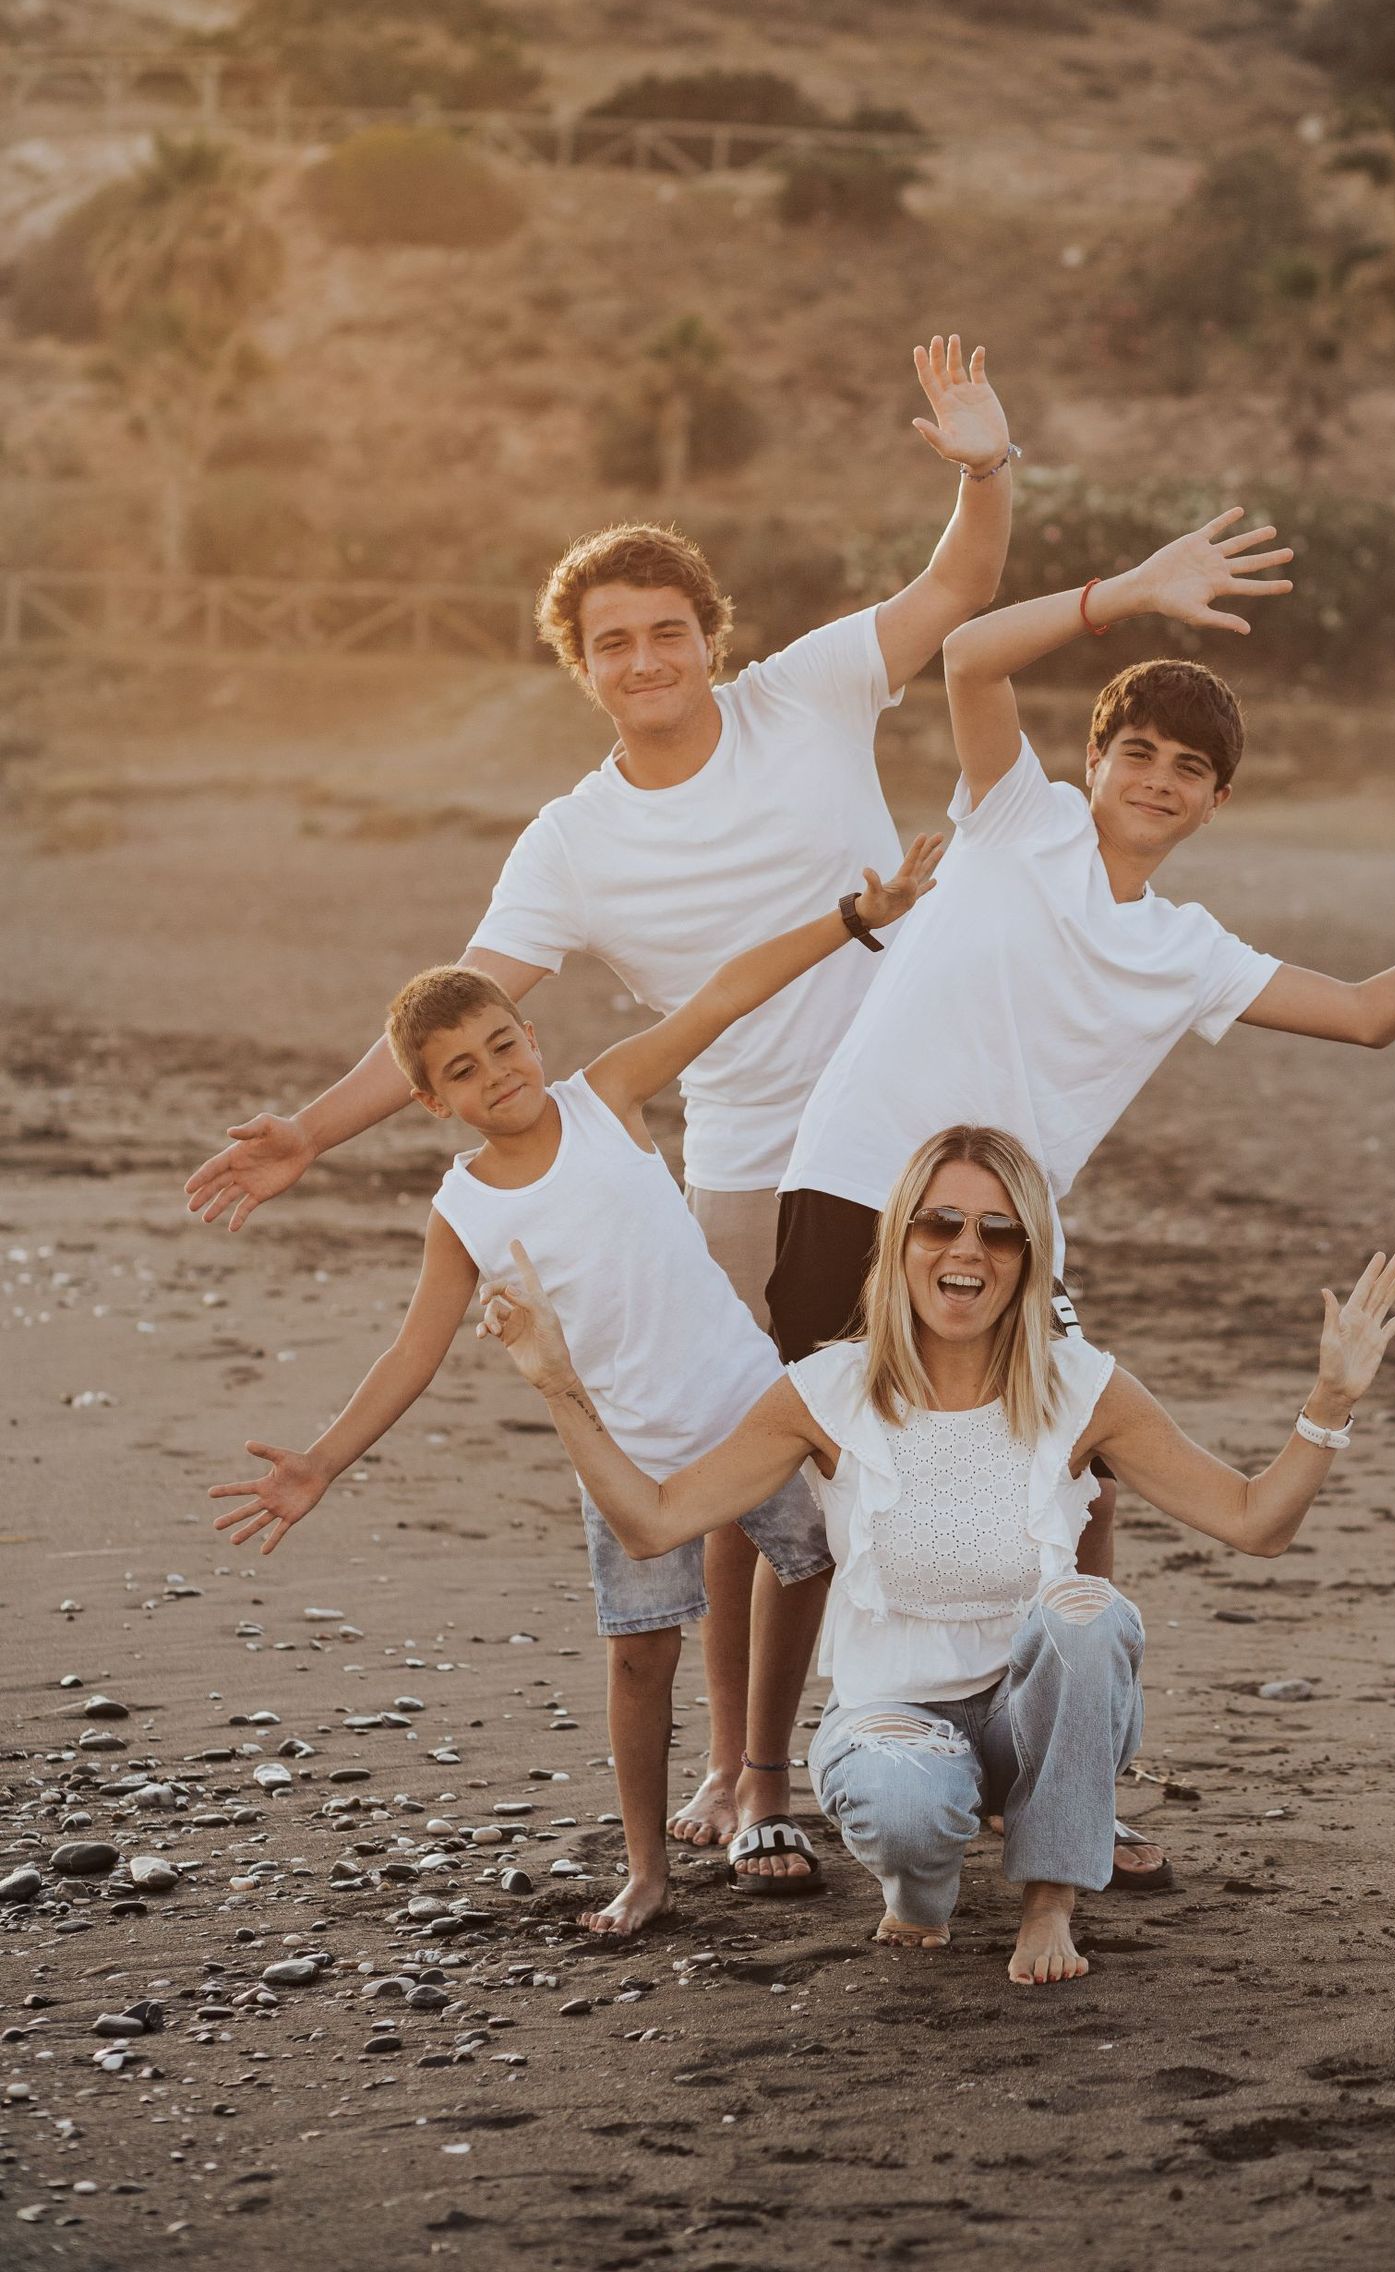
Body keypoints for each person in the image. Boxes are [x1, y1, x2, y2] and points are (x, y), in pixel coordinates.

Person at [182, 334, 1016, 1858]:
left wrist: (981, 467)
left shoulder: (812, 693)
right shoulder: (570, 841)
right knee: (747, 1474)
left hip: (929, 1131)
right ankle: (751, 1774)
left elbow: (957, 591)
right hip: (754, 1166)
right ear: (583, 667)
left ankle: (1017, 1763)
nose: (645, 660)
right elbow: (467, 1013)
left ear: (710, 634)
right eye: (612, 643)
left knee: (989, 1442)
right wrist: (311, 1124)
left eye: (666, 631)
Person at [764, 505, 1395, 1882]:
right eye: (1139, 753)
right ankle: (755, 1783)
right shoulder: (1017, 819)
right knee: (812, 1495)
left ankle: (1063, 1780)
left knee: (1082, 1477)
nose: (1157, 779)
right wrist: (1125, 595)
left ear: (1217, 803)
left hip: (1005, 1238)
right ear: (1097, 761)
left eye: (1188, 770)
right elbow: (971, 660)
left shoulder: (1188, 951)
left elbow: (1363, 1013)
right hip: (858, 1193)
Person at [472, 1122, 1395, 1985]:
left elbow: (1257, 1522)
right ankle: (916, 1896)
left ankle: (1050, 1901)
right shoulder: (825, 1392)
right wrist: (558, 1383)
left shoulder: (1084, 1388)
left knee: (1088, 1619)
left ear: (1029, 1260)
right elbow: (654, 1521)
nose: (968, 1249)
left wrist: (1331, 1402)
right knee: (904, 1798)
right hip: (891, 1720)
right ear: (900, 1244)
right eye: (942, 1224)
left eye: (999, 1233)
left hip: (1032, 1719)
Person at [206, 837, 942, 1929]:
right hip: (625, 1454)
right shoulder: (464, 1212)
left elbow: (727, 993)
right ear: (432, 1102)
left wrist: (855, 916)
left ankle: (767, 1776)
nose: (497, 1074)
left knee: (825, 1556)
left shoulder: (607, 1096)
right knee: (639, 1660)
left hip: (756, 1414)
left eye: (504, 1045)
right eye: (463, 1071)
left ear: (532, 1036)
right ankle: (645, 1867)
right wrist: (322, 1460)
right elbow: (412, 1353)